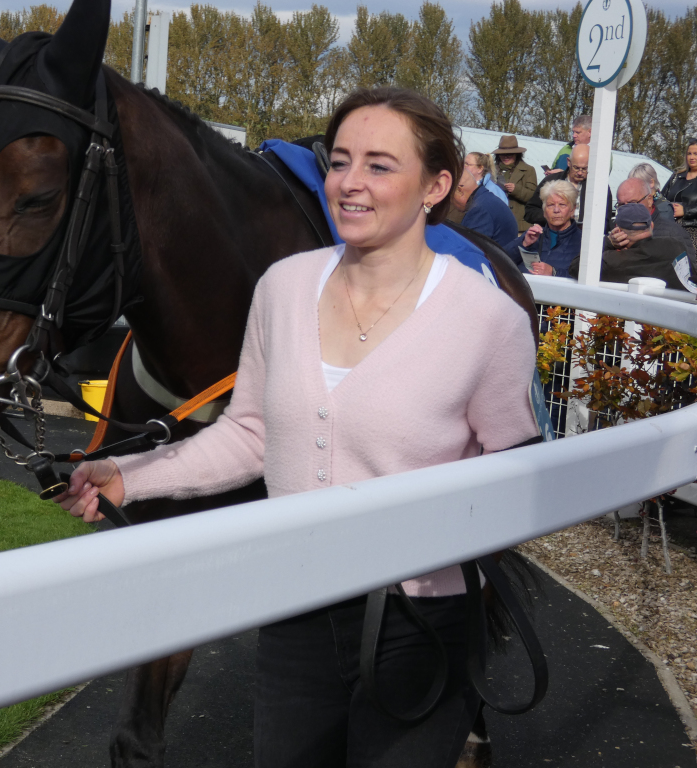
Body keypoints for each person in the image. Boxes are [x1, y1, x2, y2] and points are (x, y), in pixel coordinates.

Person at [57, 87, 539, 767]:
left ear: (435, 186)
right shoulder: (283, 288)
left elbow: (515, 482)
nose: (350, 183)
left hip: (422, 626)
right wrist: (128, 476)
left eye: (379, 165)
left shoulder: (488, 321)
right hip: (294, 611)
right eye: (340, 161)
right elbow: (250, 434)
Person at [571, 203, 691, 290]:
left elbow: (576, 268)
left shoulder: (613, 260)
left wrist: (607, 242)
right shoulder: (676, 247)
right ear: (652, 226)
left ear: (618, 230)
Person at [606, 178, 695, 272]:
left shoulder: (672, 233)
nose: (627, 209)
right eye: (622, 205)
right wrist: (609, 243)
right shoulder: (613, 232)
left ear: (649, 200)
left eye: (633, 203)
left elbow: (689, 276)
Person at [503, 180, 581, 278]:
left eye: (562, 204)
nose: (556, 210)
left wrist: (554, 272)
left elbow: (587, 279)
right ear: (544, 211)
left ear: (572, 210)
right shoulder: (533, 234)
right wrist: (524, 244)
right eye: (551, 205)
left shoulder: (582, 242)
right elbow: (500, 261)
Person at [525, 144, 612, 232]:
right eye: (576, 168)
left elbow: (606, 219)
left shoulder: (599, 186)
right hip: (553, 235)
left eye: (585, 169)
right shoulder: (551, 181)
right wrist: (550, 216)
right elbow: (530, 211)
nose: (580, 173)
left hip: (585, 238)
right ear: (569, 162)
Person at [452, 168, 518, 245]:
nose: (451, 201)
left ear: (460, 191)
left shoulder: (479, 209)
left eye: (450, 196)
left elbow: (471, 249)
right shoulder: (486, 199)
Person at [491, 135, 537, 234]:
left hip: (519, 226)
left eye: (510, 154)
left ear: (517, 154)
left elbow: (533, 197)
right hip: (496, 224)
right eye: (503, 154)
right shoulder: (491, 171)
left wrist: (516, 190)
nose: (506, 157)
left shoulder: (528, 170)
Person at [661, 138, 697, 253]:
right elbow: (662, 198)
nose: (691, 157)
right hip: (669, 231)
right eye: (689, 154)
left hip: (693, 234)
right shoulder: (676, 177)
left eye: (696, 154)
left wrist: (686, 211)